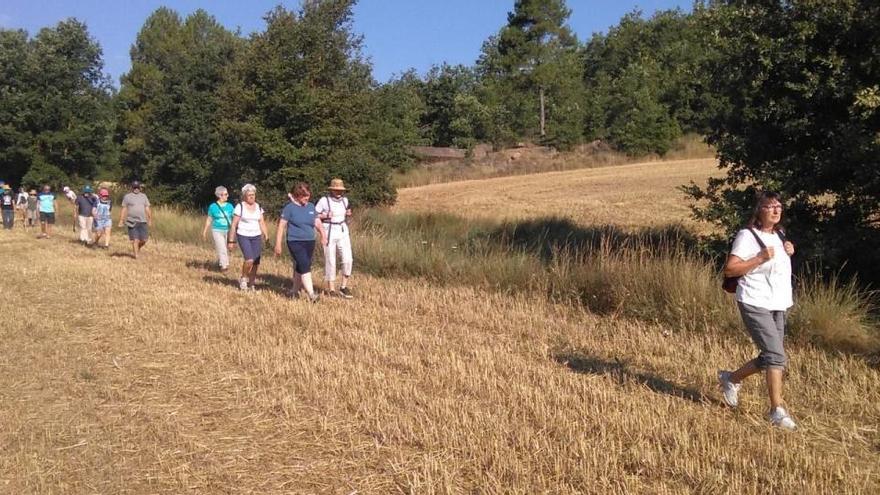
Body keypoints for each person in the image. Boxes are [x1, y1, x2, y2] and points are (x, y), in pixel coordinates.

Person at [718, 191, 798, 431]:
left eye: (779, 206)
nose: (776, 210)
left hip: (778, 302)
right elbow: (730, 269)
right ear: (759, 211)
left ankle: (730, 379)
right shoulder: (747, 236)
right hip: (754, 300)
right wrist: (760, 258)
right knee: (776, 356)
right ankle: (777, 411)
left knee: (769, 356)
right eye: (770, 206)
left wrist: (788, 251)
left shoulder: (780, 235)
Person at [275, 182, 325, 303]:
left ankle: (293, 291)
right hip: (294, 241)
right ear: (297, 196)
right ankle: (312, 294)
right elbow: (281, 226)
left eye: (308, 195)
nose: (306, 198)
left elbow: (317, 222)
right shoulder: (289, 208)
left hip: (309, 240)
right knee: (304, 265)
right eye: (303, 196)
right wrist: (278, 244)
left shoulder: (311, 207)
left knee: (301, 266)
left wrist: (323, 235)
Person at [315, 178, 354, 299]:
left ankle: (343, 287)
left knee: (348, 258)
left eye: (340, 190)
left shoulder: (345, 201)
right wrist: (325, 215)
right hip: (329, 229)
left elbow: (346, 212)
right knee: (330, 259)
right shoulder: (324, 200)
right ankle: (331, 289)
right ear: (331, 190)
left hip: (342, 229)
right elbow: (314, 215)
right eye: (336, 190)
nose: (338, 192)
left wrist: (348, 214)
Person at [227, 184, 268, 291]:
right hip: (243, 235)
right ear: (244, 196)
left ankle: (252, 283)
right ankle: (244, 278)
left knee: (256, 262)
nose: (251, 197)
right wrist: (231, 241)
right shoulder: (240, 207)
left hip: (256, 236)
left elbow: (262, 222)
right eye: (249, 195)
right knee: (249, 259)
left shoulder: (259, 207)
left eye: (253, 195)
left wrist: (266, 235)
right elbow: (234, 225)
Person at [202, 186, 235, 271]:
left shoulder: (230, 206)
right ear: (220, 195)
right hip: (217, 230)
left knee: (227, 248)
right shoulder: (213, 207)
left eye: (227, 194)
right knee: (221, 247)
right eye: (225, 194)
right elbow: (209, 219)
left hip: (228, 230)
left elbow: (234, 219)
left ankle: (222, 262)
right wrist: (205, 231)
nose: (227, 196)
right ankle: (224, 266)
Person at [118, 181, 152, 259]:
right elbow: (124, 208)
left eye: (137, 187)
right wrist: (121, 220)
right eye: (134, 187)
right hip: (131, 221)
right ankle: (136, 256)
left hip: (143, 221)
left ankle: (137, 248)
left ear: (140, 188)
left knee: (144, 240)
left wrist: (150, 219)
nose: (136, 189)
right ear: (132, 188)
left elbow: (147, 208)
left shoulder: (144, 196)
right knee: (135, 240)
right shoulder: (127, 197)